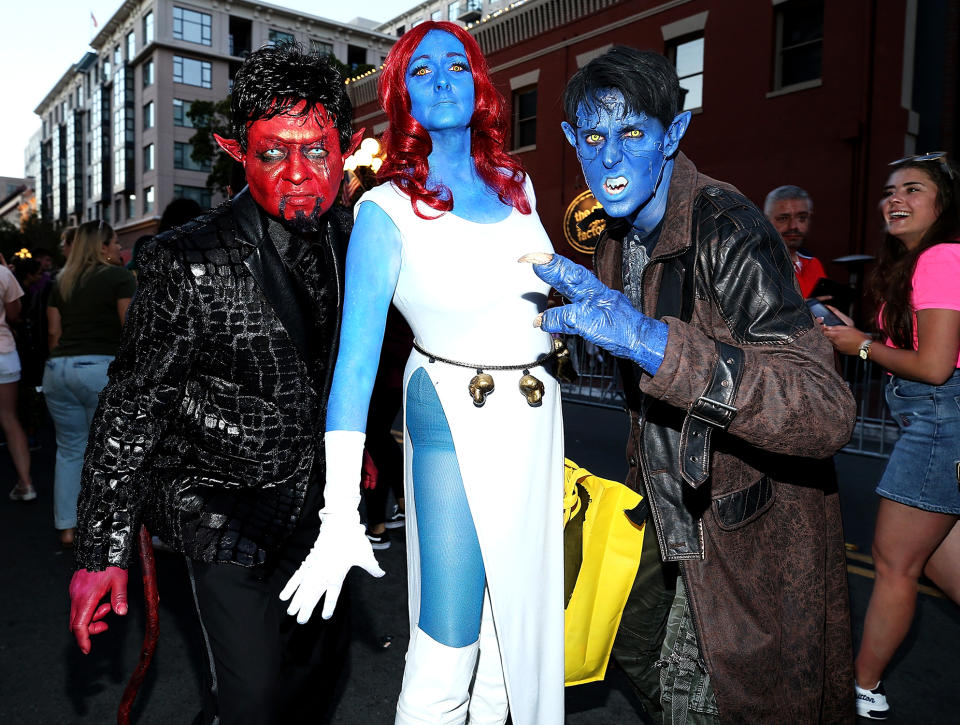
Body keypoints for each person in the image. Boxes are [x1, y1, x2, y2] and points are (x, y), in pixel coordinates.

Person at [523, 47, 856, 723]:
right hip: (669, 516)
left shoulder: (729, 230)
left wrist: (652, 342)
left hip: (746, 534)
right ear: (570, 144)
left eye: (632, 135)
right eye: (593, 138)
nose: (610, 159)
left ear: (672, 135)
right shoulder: (613, 238)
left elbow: (825, 409)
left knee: (706, 698)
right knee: (631, 644)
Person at [68, 43, 363, 725]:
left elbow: (336, 361)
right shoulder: (184, 257)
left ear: (345, 149)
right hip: (218, 502)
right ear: (236, 151)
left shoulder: (356, 240)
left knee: (318, 675)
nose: (298, 174)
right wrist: (101, 548)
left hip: (317, 499)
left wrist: (354, 445)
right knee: (253, 695)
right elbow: (133, 403)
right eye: (272, 153)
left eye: (317, 151)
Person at [281, 21, 565, 724]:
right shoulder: (384, 208)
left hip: (536, 419)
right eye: (421, 69)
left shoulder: (519, 183)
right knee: (450, 645)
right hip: (453, 411)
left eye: (457, 64)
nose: (442, 78)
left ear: (479, 84)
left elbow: (541, 294)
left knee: (514, 640)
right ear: (400, 94)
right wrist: (340, 507)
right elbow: (354, 363)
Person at [819, 152, 960, 720]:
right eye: (890, 189)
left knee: (894, 563)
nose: (895, 199)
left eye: (914, 189)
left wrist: (858, 345)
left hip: (939, 424)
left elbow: (933, 368)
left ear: (942, 204)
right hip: (937, 423)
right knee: (925, 562)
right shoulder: (923, 263)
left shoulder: (942, 258)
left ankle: (863, 687)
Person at [44, 221, 136, 548]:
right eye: (113, 242)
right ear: (101, 247)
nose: (117, 248)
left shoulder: (62, 281)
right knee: (111, 452)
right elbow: (129, 329)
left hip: (58, 369)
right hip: (99, 367)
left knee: (70, 450)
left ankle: (68, 527)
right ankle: (107, 528)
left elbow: (53, 333)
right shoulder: (119, 277)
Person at [1, 252, 34, 501]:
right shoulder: (3, 275)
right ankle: (26, 484)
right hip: (3, 353)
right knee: (10, 418)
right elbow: (14, 315)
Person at [763, 185, 826, 298]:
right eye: (783, 218)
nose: (793, 226)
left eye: (802, 218)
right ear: (766, 221)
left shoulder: (813, 264)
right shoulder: (757, 266)